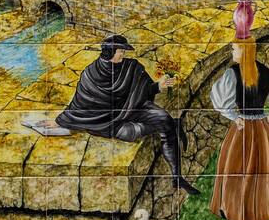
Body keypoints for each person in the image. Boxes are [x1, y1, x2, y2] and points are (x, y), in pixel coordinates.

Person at [55, 35, 197, 195]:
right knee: (131, 133)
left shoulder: (132, 67)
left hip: (135, 107)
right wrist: (65, 120)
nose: (123, 54)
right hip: (107, 121)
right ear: (109, 53)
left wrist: (158, 86)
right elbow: (80, 104)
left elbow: (146, 89)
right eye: (120, 51)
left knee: (163, 118)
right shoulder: (89, 75)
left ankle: (177, 177)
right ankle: (173, 124)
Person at [209, 0, 269, 220]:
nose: (232, 53)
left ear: (243, 50)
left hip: (244, 129)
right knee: (255, 172)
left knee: (241, 173)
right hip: (263, 131)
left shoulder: (233, 74)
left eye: (234, 49)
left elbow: (220, 100)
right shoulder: (266, 73)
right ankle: (249, 218)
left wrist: (234, 116)